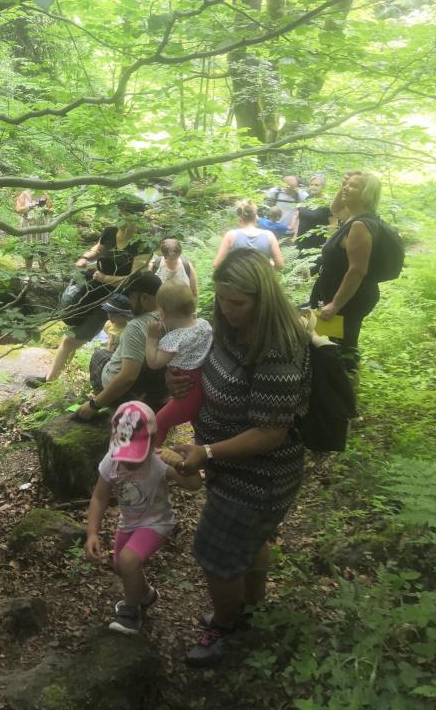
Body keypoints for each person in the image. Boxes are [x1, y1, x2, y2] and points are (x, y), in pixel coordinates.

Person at [172, 248, 309, 666]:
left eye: (238, 302)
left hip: (260, 477)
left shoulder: (277, 348)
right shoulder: (231, 328)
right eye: (222, 299)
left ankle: (226, 627)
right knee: (249, 543)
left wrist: (207, 452)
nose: (228, 309)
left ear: (262, 298)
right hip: (227, 466)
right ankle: (251, 612)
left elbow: (270, 432)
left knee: (215, 553)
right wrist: (180, 382)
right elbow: (209, 367)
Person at [84, 401, 202, 635]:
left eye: (134, 454)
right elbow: (99, 497)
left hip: (156, 522)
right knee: (121, 566)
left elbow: (194, 484)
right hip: (128, 522)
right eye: (125, 453)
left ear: (152, 442)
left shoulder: (158, 461)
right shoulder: (112, 461)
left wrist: (181, 464)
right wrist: (92, 533)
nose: (128, 461)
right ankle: (146, 595)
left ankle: (131, 612)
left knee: (128, 560)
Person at [29, 199, 151, 387]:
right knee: (73, 334)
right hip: (91, 291)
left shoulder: (143, 244)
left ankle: (50, 381)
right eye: (119, 212)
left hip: (115, 302)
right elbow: (97, 249)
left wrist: (106, 278)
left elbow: (134, 279)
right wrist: (85, 257)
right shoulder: (110, 232)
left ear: (137, 218)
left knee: (70, 340)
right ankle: (58, 378)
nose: (120, 217)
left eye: (125, 214)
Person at [310, 171, 382, 369]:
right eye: (346, 185)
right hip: (336, 293)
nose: (346, 188)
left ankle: (342, 381)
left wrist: (335, 305)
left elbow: (357, 270)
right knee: (328, 343)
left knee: (340, 349)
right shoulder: (352, 218)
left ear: (366, 194)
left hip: (347, 299)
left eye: (353, 186)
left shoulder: (360, 225)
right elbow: (334, 209)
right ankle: (332, 378)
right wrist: (344, 185)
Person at [75, 272, 165, 419]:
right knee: (107, 354)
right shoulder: (170, 317)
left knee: (98, 355)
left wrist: (94, 404)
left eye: (131, 297)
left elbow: (128, 377)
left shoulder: (136, 327)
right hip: (153, 388)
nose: (129, 302)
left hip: (128, 392)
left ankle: (108, 403)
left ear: (145, 298)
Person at [144, 282, 213, 446]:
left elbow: (153, 362)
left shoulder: (174, 339)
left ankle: (149, 455)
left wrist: (152, 338)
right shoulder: (204, 325)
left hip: (187, 393)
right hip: (203, 388)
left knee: (160, 422)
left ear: (162, 313)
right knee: (198, 425)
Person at [213, 201, 284, 271]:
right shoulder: (269, 235)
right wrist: (268, 266)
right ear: (255, 218)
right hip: (261, 278)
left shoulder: (231, 235)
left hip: (236, 278)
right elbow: (280, 265)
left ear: (239, 218)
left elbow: (216, 264)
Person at [15, 190, 53, 273]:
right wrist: (30, 206)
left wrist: (46, 209)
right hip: (28, 225)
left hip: (42, 226)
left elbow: (51, 209)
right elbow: (18, 209)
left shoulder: (44, 193)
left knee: (43, 249)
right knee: (28, 249)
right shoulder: (24, 194)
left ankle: (42, 272)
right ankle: (28, 272)